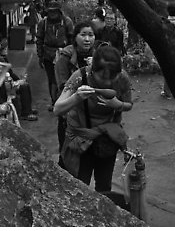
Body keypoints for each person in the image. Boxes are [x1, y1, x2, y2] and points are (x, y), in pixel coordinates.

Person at [54, 45, 133, 193]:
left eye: (112, 77)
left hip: (107, 140)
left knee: (104, 186)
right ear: (93, 70)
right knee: (78, 186)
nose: (108, 82)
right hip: (80, 140)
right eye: (103, 77)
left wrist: (118, 104)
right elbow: (58, 109)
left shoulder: (122, 78)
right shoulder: (80, 77)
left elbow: (129, 105)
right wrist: (76, 97)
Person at [54, 21, 101, 161]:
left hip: (92, 115)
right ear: (75, 37)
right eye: (83, 35)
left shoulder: (99, 57)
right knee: (68, 154)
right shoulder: (64, 58)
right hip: (70, 114)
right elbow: (63, 87)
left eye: (91, 35)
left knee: (88, 157)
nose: (87, 39)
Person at [36, 1, 74, 110]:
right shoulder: (43, 23)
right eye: (50, 11)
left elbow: (72, 39)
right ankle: (54, 102)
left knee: (65, 78)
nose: (52, 14)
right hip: (48, 54)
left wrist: (72, 55)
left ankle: (65, 101)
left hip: (64, 54)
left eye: (54, 11)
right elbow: (39, 40)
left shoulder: (67, 22)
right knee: (52, 79)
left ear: (59, 11)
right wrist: (40, 56)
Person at [0, 38, 38, 121]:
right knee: (24, 87)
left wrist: (19, 79)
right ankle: (25, 113)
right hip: (4, 84)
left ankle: (28, 109)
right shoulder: (0, 60)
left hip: (8, 81)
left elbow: (11, 73)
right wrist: (17, 82)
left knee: (25, 84)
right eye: (5, 49)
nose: (6, 51)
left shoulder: (4, 58)